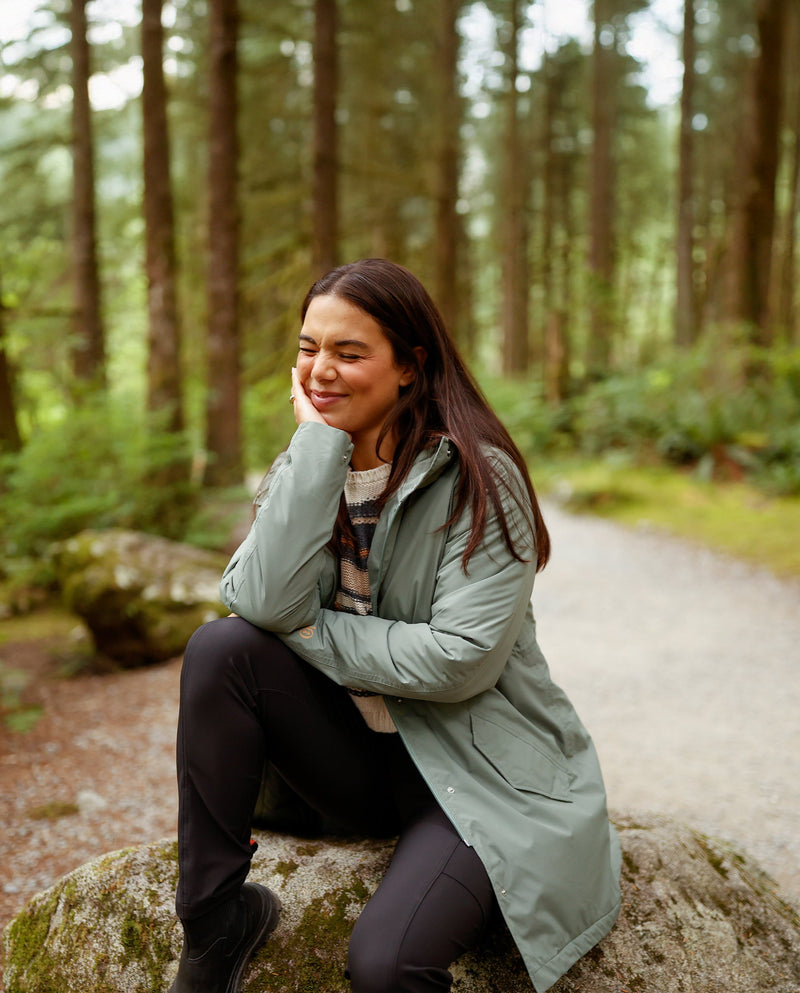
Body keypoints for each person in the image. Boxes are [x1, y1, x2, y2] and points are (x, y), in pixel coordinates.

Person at [170, 258, 621, 993]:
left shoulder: (479, 474)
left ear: (411, 366)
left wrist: (312, 635)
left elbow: (459, 661)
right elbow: (255, 602)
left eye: (349, 353)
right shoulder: (308, 461)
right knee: (222, 648)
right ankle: (215, 918)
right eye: (309, 347)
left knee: (386, 966)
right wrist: (317, 450)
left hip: (473, 779)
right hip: (361, 764)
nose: (321, 370)